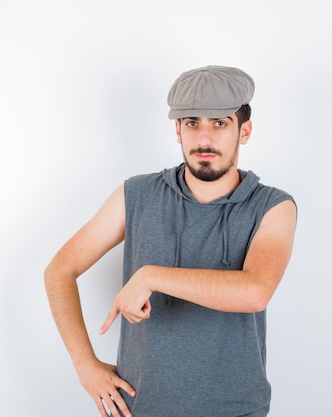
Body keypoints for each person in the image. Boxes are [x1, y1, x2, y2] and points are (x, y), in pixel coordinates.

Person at [44, 65, 297, 417]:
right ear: (177, 129)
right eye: (192, 122)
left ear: (245, 131)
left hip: (236, 410)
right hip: (140, 408)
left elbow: (255, 292)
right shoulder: (137, 194)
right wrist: (85, 366)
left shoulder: (272, 205)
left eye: (220, 123)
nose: (204, 139)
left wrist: (150, 276)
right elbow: (59, 270)